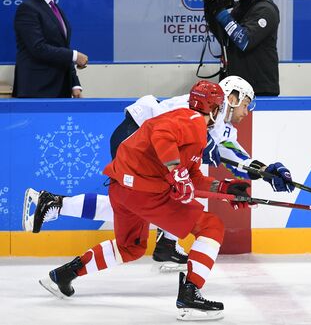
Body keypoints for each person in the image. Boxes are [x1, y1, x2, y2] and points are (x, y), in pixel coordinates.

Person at [24, 76, 294, 271]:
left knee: (142, 202)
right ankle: (57, 204)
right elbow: (164, 130)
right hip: (135, 139)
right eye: (245, 104)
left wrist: (265, 170)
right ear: (231, 98)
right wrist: (202, 152)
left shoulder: (219, 124)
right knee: (142, 200)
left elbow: (233, 154)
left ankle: (58, 205)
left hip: (146, 152)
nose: (246, 112)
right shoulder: (195, 104)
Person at [38, 80, 251, 320]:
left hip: (124, 190)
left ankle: (63, 275)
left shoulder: (188, 125)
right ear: (214, 108)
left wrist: (225, 188)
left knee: (130, 247)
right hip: (143, 192)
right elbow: (162, 137)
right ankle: (190, 295)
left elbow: (193, 176)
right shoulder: (192, 121)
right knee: (211, 227)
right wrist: (175, 171)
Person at [12, 0, 88, 98]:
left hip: (59, 89)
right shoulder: (27, 8)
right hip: (37, 90)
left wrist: (74, 83)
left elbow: (62, 46)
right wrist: (75, 56)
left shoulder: (53, 7)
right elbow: (38, 48)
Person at [205, 0, 280, 96]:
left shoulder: (266, 9)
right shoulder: (239, 8)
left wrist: (221, 13)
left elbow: (244, 41)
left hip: (259, 91)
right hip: (235, 90)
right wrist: (211, 10)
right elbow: (225, 40)